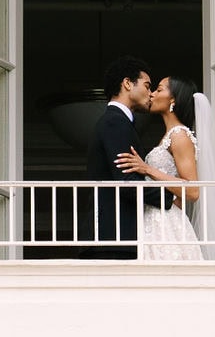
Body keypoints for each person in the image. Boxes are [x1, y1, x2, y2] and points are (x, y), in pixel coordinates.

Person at [84, 56, 172, 258]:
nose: (151, 94)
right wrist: (170, 197)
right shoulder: (115, 122)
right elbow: (127, 182)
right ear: (127, 83)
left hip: (115, 238)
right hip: (112, 238)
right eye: (147, 85)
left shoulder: (120, 122)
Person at [114, 73, 204, 259]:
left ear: (173, 99)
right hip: (153, 219)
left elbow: (193, 191)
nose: (152, 94)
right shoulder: (168, 136)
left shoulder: (179, 135)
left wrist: (147, 169)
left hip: (167, 223)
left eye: (159, 89)